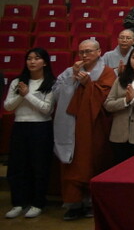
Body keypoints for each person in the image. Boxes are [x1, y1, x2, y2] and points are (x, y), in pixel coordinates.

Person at [52, 39, 117, 220]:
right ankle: (73, 203)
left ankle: (90, 202)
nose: (84, 56)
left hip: (93, 126)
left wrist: (88, 84)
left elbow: (106, 96)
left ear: (98, 52)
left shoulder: (106, 72)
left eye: (88, 51)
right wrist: (72, 80)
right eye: (81, 52)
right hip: (71, 124)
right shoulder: (69, 72)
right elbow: (56, 94)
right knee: (71, 163)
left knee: (91, 161)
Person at [3, 49, 56, 219]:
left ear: (45, 62)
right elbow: (8, 107)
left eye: (37, 59)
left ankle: (37, 202)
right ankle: (18, 203)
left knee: (39, 167)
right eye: (29, 59)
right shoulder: (17, 82)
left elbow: (46, 109)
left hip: (41, 128)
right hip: (20, 126)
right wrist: (21, 95)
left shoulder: (50, 83)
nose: (32, 62)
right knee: (18, 167)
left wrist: (27, 95)